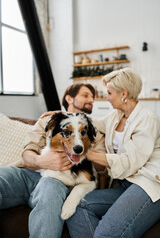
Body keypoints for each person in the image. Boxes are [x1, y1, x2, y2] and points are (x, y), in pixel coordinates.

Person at [0, 83, 105, 238]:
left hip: (57, 182)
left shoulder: (96, 130)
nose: (91, 100)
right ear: (69, 98)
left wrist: (88, 149)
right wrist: (41, 161)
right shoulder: (48, 120)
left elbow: (102, 170)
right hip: (27, 174)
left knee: (50, 192)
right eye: (85, 95)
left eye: (92, 97)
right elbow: (28, 152)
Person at [66, 67, 160, 238]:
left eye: (109, 93)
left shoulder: (147, 118)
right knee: (77, 205)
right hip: (124, 184)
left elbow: (130, 161)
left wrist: (90, 154)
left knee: (107, 233)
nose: (106, 98)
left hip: (146, 184)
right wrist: (60, 115)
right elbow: (90, 122)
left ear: (123, 93)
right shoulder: (115, 116)